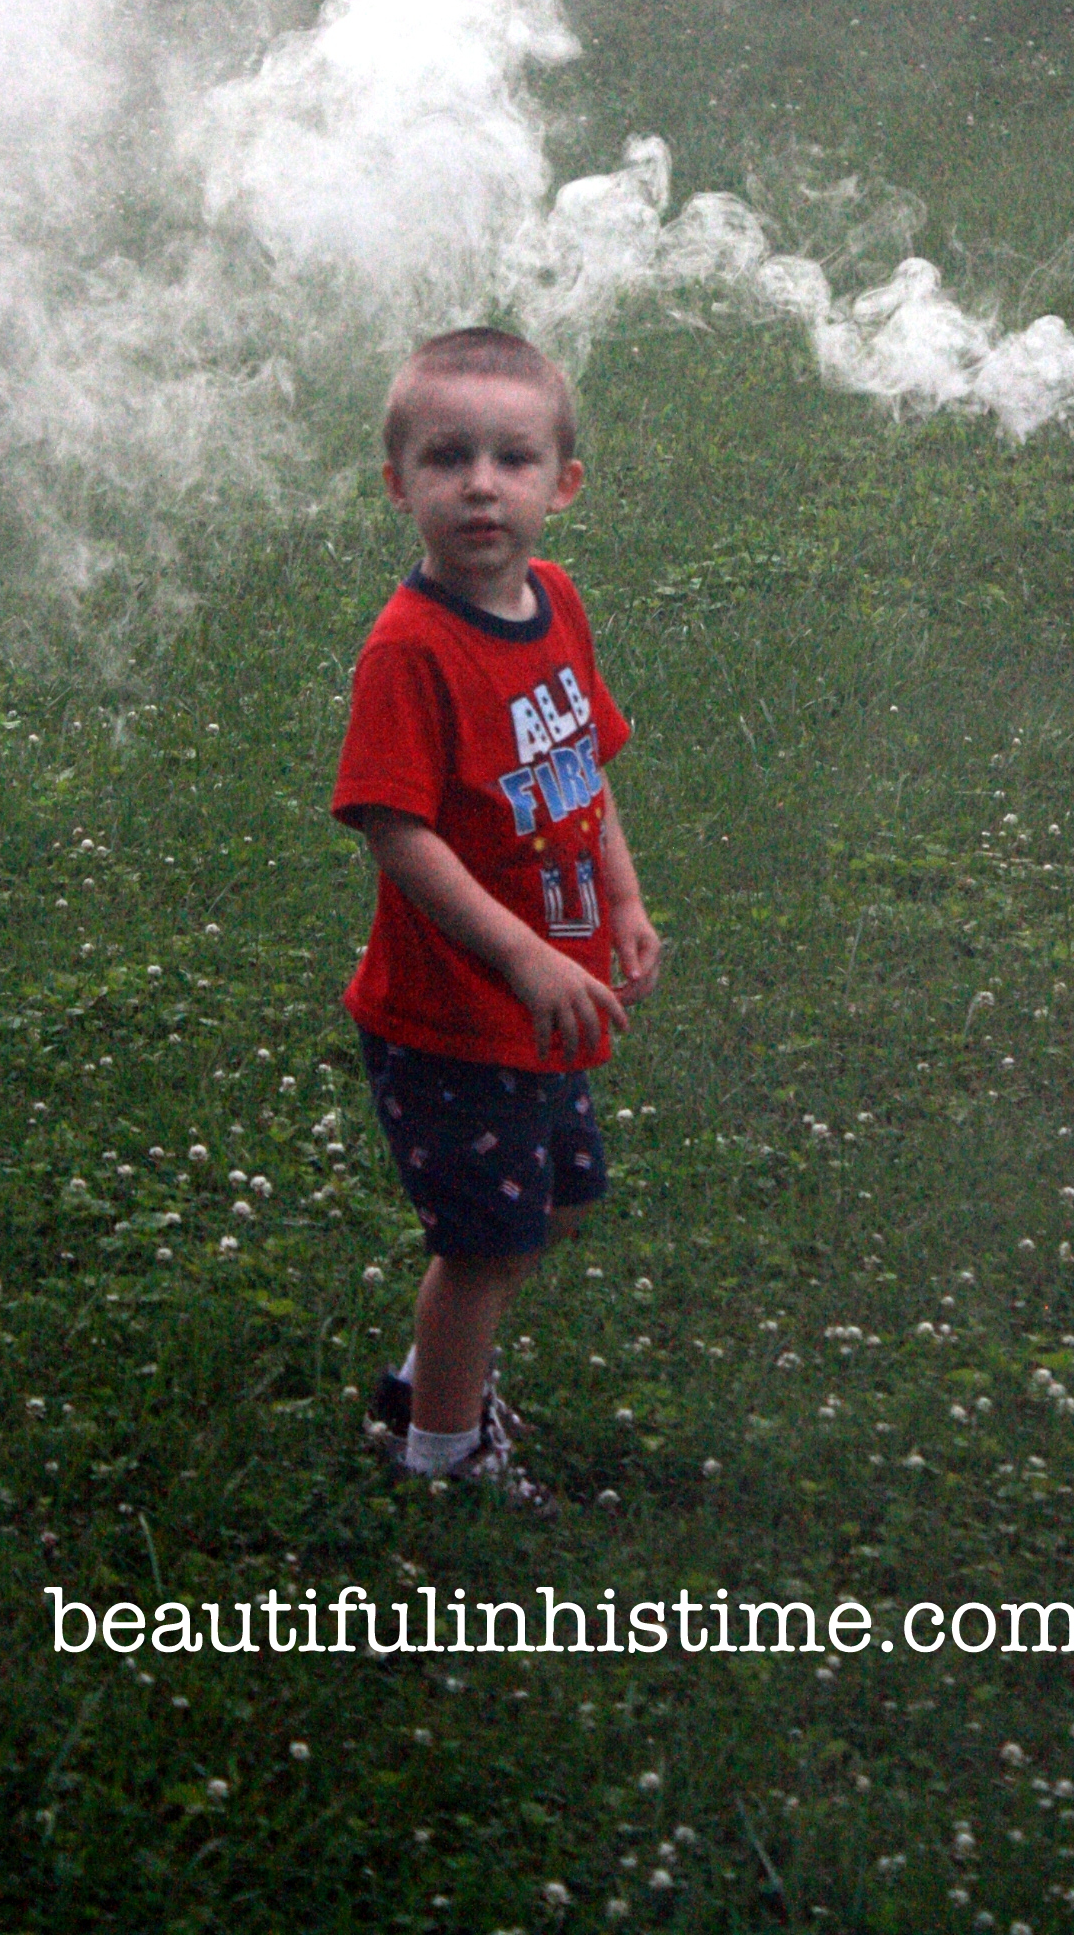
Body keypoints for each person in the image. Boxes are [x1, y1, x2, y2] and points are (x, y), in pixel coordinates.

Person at [330, 325, 662, 1498]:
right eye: (446, 456)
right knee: (481, 1246)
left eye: (512, 458)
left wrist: (618, 895)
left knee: (557, 1202)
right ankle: (438, 1456)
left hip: (544, 997)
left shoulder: (555, 604)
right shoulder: (409, 651)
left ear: (562, 484)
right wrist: (523, 957)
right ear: (397, 483)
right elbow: (396, 832)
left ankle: (430, 1384)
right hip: (451, 1011)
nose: (479, 482)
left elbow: (580, 760)